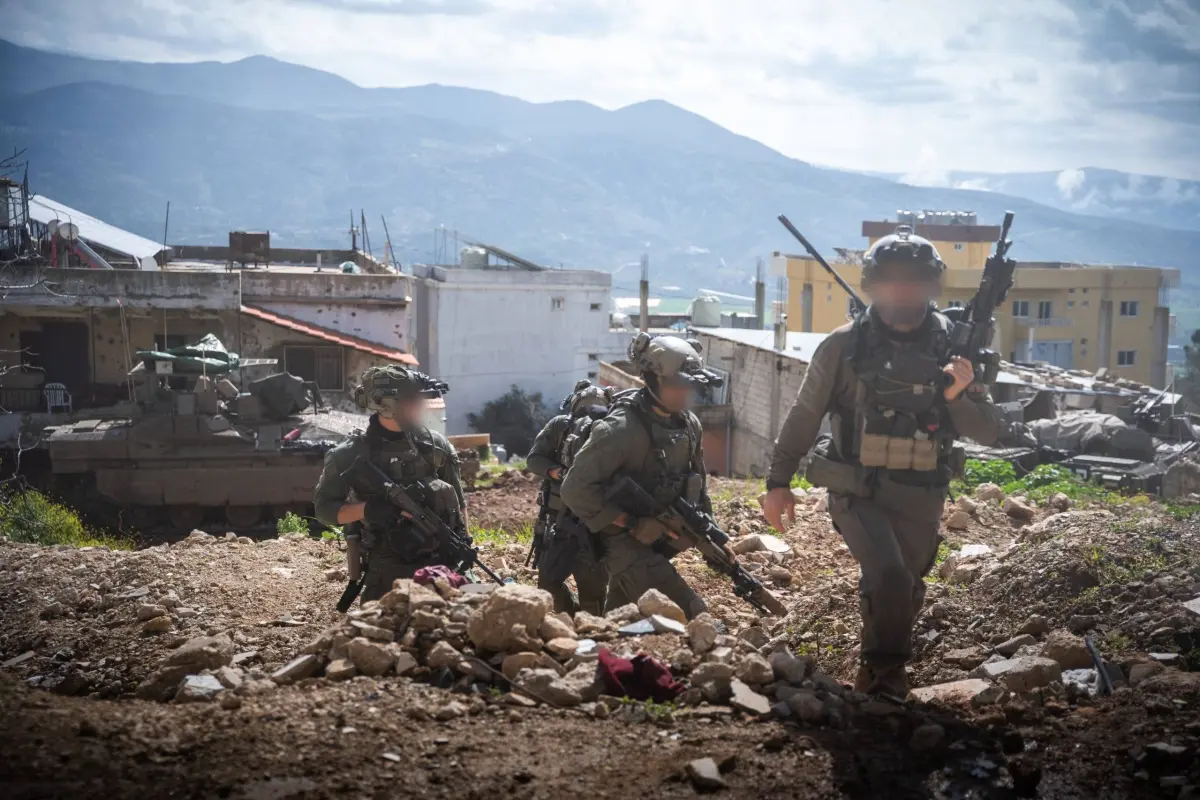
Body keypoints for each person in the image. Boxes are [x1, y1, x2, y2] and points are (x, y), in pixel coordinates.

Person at [761, 226, 1003, 697]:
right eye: (892, 279)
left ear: (931, 285)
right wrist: (778, 481)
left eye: (913, 280)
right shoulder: (843, 346)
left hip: (922, 492)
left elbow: (989, 430)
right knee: (889, 576)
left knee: (907, 586)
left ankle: (873, 670)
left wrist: (956, 396)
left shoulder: (955, 346)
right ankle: (885, 674)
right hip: (858, 489)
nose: (902, 290)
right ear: (873, 284)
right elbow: (804, 415)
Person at [560, 333, 724, 620]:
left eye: (690, 385)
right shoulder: (620, 430)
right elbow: (574, 489)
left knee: (620, 619)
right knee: (693, 613)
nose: (685, 393)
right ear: (652, 378)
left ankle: (602, 642)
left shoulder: (689, 425)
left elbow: (698, 487)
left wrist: (711, 538)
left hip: (659, 540)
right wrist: (631, 522)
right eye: (677, 384)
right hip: (621, 542)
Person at [314, 365, 466, 603]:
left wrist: (462, 549)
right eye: (411, 401)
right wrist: (368, 509)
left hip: (441, 565)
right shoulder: (348, 454)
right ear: (386, 406)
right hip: (387, 571)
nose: (419, 407)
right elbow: (324, 510)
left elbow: (459, 506)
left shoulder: (436, 446)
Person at [526, 381, 612, 614]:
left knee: (592, 590)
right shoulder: (560, 426)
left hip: (593, 523)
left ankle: (590, 627)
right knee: (548, 582)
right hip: (559, 521)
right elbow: (534, 459)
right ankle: (574, 618)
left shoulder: (612, 432)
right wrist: (558, 472)